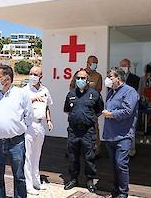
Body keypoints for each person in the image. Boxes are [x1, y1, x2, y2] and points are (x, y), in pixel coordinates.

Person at [0, 64, 33, 198]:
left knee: (19, 176)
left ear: (7, 79)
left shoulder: (21, 94)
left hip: (16, 143)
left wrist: (17, 129)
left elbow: (29, 116)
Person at [63, 69, 104, 193]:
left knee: (89, 157)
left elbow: (99, 111)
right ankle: (74, 179)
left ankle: (90, 180)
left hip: (88, 132)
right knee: (73, 156)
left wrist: (88, 119)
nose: (80, 80)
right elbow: (67, 110)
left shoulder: (95, 94)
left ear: (88, 81)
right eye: (78, 78)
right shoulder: (70, 94)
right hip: (73, 131)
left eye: (83, 78)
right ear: (75, 80)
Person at [102, 67, 139, 198]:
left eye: (110, 77)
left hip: (123, 135)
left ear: (118, 79)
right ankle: (116, 189)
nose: (108, 80)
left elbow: (127, 111)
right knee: (114, 165)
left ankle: (123, 193)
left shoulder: (130, 91)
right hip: (110, 135)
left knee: (121, 164)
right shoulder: (111, 92)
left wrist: (111, 114)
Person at [23, 66, 54, 195]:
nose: (32, 76)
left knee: (37, 155)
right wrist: (33, 99)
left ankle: (36, 181)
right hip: (29, 125)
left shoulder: (45, 90)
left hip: (40, 125)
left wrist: (49, 120)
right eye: (31, 73)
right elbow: (20, 105)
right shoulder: (24, 91)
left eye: (35, 74)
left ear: (41, 76)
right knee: (28, 156)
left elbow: (47, 107)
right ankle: (28, 184)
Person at [69, 55, 103, 156]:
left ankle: (95, 150)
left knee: (94, 128)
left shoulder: (98, 76)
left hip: (90, 106)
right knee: (75, 127)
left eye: (96, 63)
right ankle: (74, 149)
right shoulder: (79, 74)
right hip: (78, 105)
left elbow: (98, 91)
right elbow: (71, 87)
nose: (95, 65)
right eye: (94, 63)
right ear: (88, 63)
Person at [120, 58, 140, 157]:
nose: (123, 67)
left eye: (125, 65)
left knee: (130, 129)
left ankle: (131, 151)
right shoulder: (117, 78)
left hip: (130, 107)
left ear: (129, 66)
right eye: (121, 65)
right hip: (119, 108)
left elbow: (133, 92)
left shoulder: (135, 78)